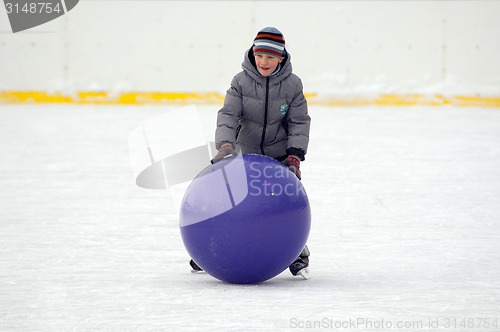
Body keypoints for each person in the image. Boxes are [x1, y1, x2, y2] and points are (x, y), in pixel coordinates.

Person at [190, 27, 311, 279]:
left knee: (284, 204)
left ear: (281, 57)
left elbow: (299, 122)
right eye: (259, 55)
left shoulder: (293, 84)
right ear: (253, 54)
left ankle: (296, 252)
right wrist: (225, 144)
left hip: (278, 159)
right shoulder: (240, 81)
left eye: (270, 57)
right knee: (227, 202)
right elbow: (229, 114)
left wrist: (294, 156)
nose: (263, 62)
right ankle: (209, 249)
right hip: (244, 157)